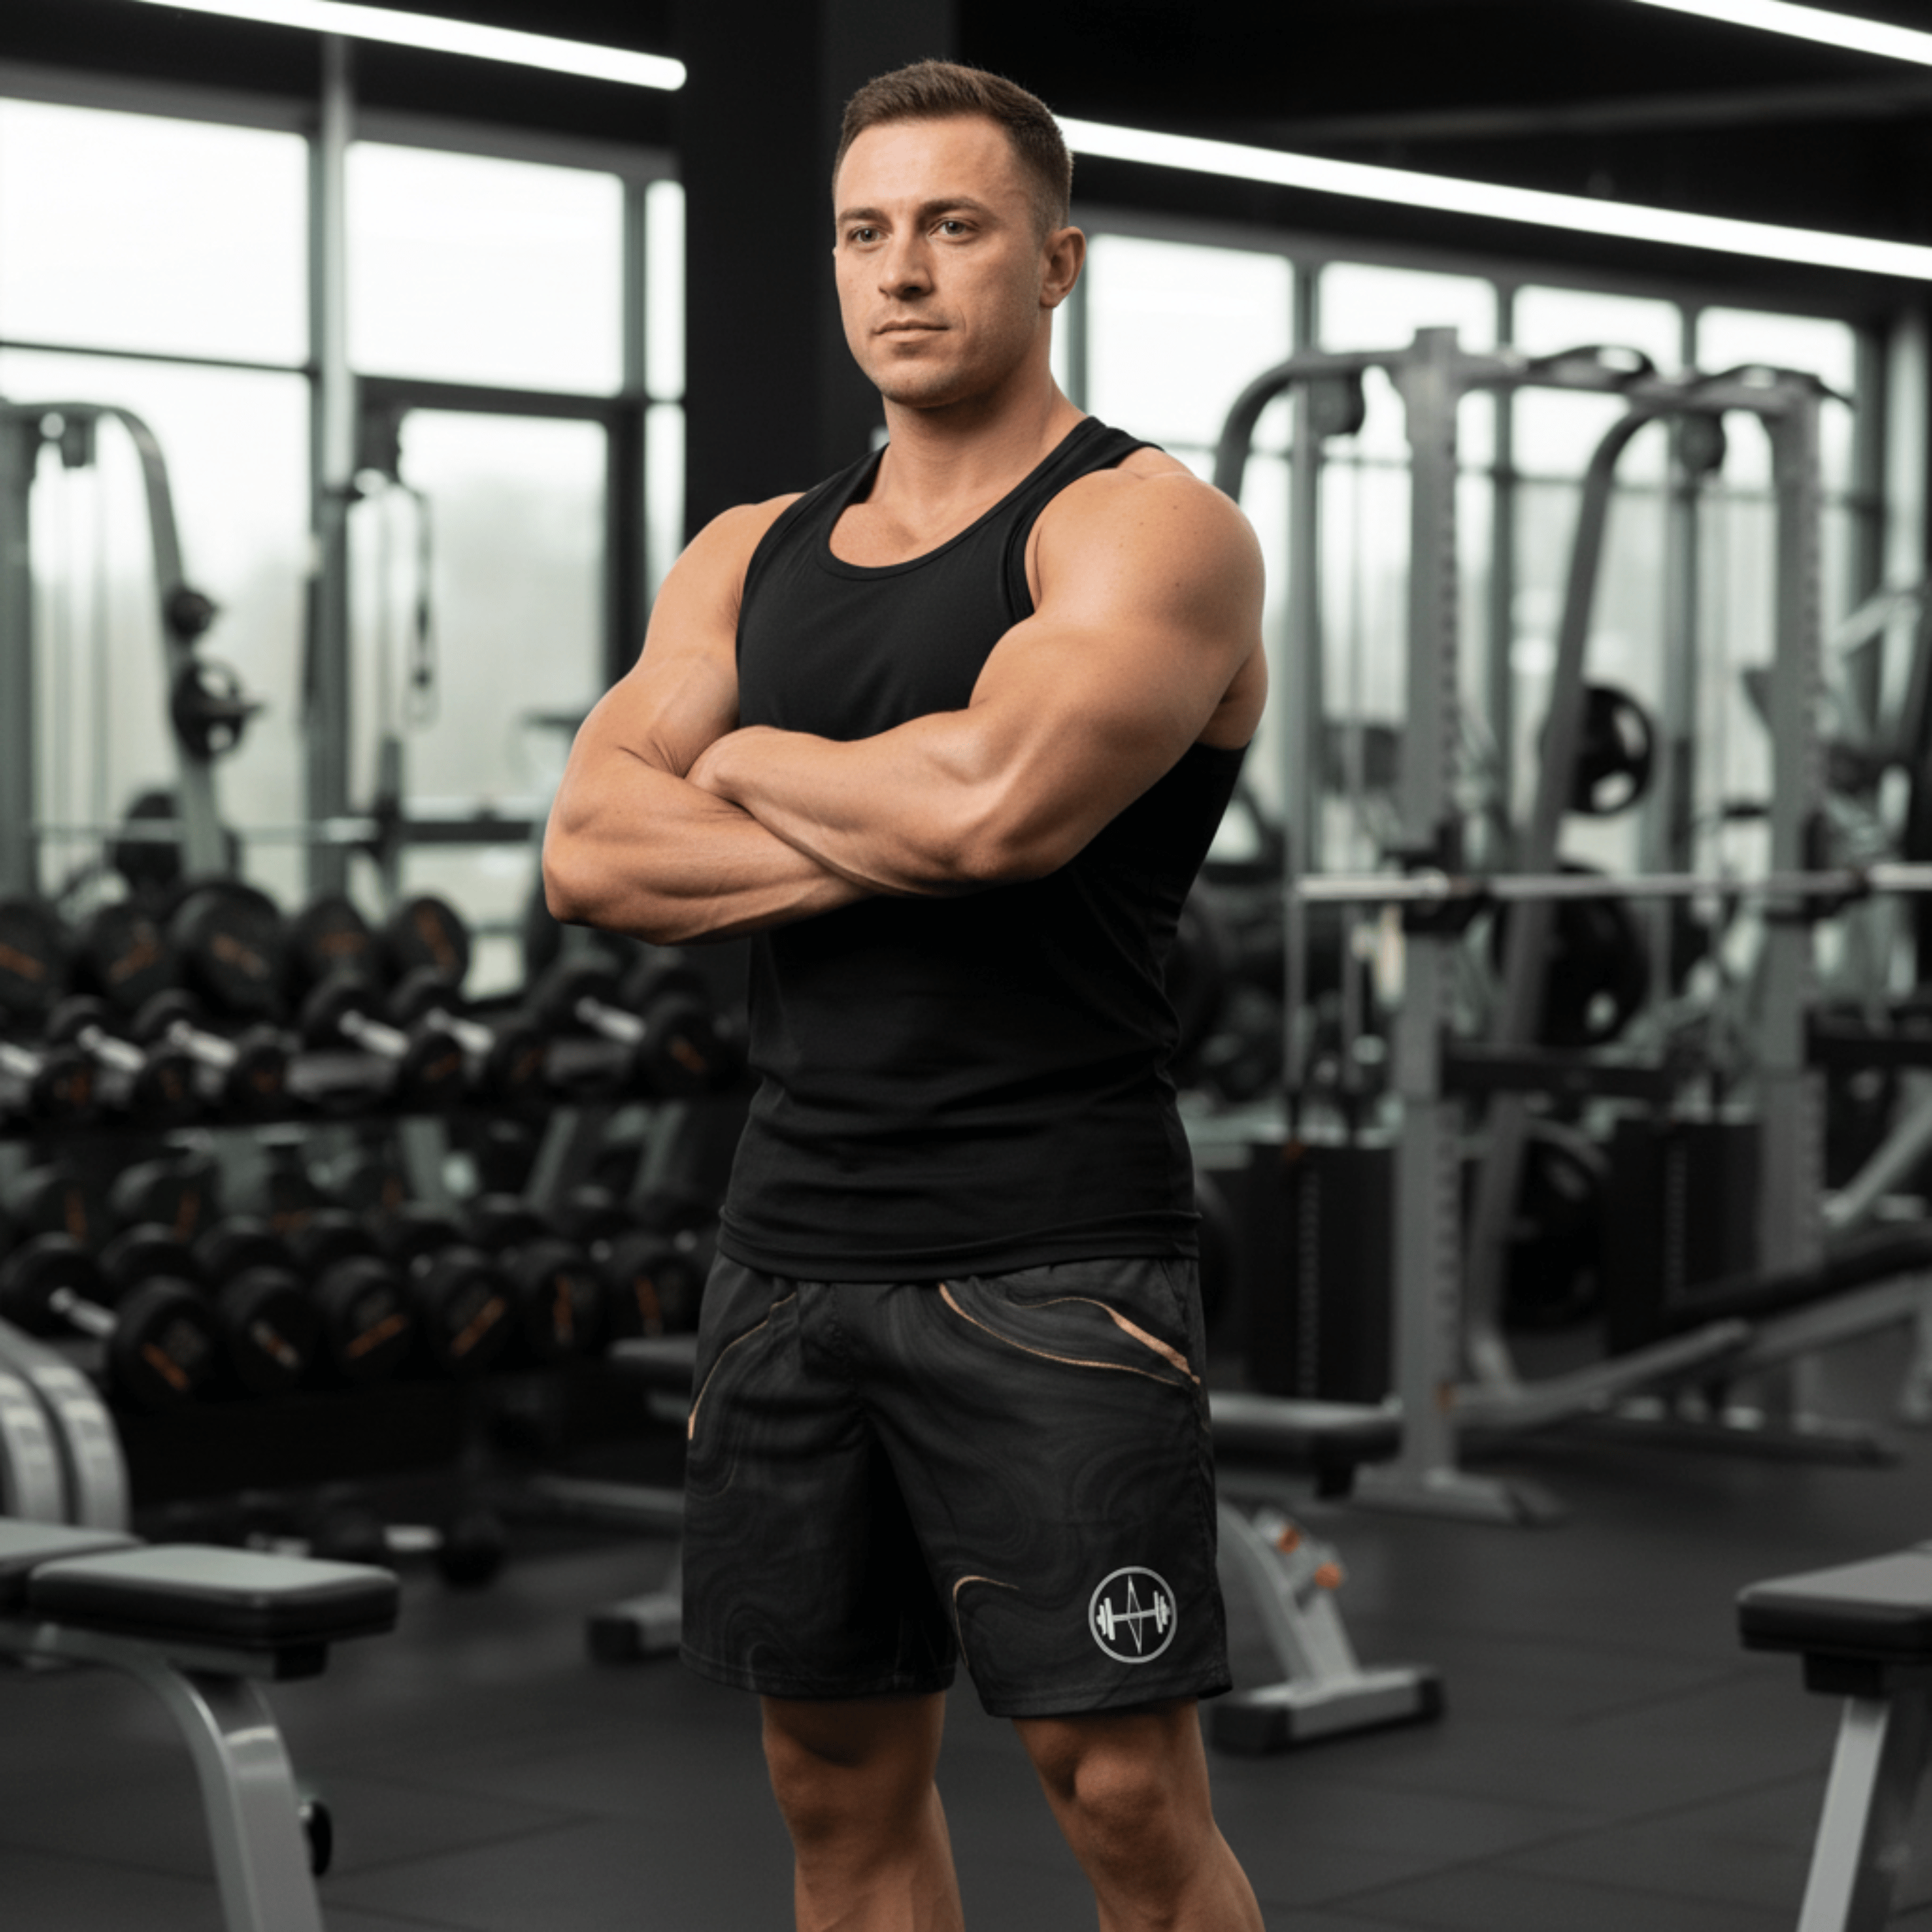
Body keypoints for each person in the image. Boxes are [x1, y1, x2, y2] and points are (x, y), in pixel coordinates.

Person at [545, 58, 1267, 1932]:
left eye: (954, 225)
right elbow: (594, 855)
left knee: (1123, 1795)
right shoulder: (746, 550)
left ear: (1055, 262)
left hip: (1050, 1246)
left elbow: (997, 808)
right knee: (831, 1789)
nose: (903, 269)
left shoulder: (1137, 526)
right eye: (866, 232)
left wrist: (740, 760)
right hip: (784, 1248)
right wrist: (914, 811)